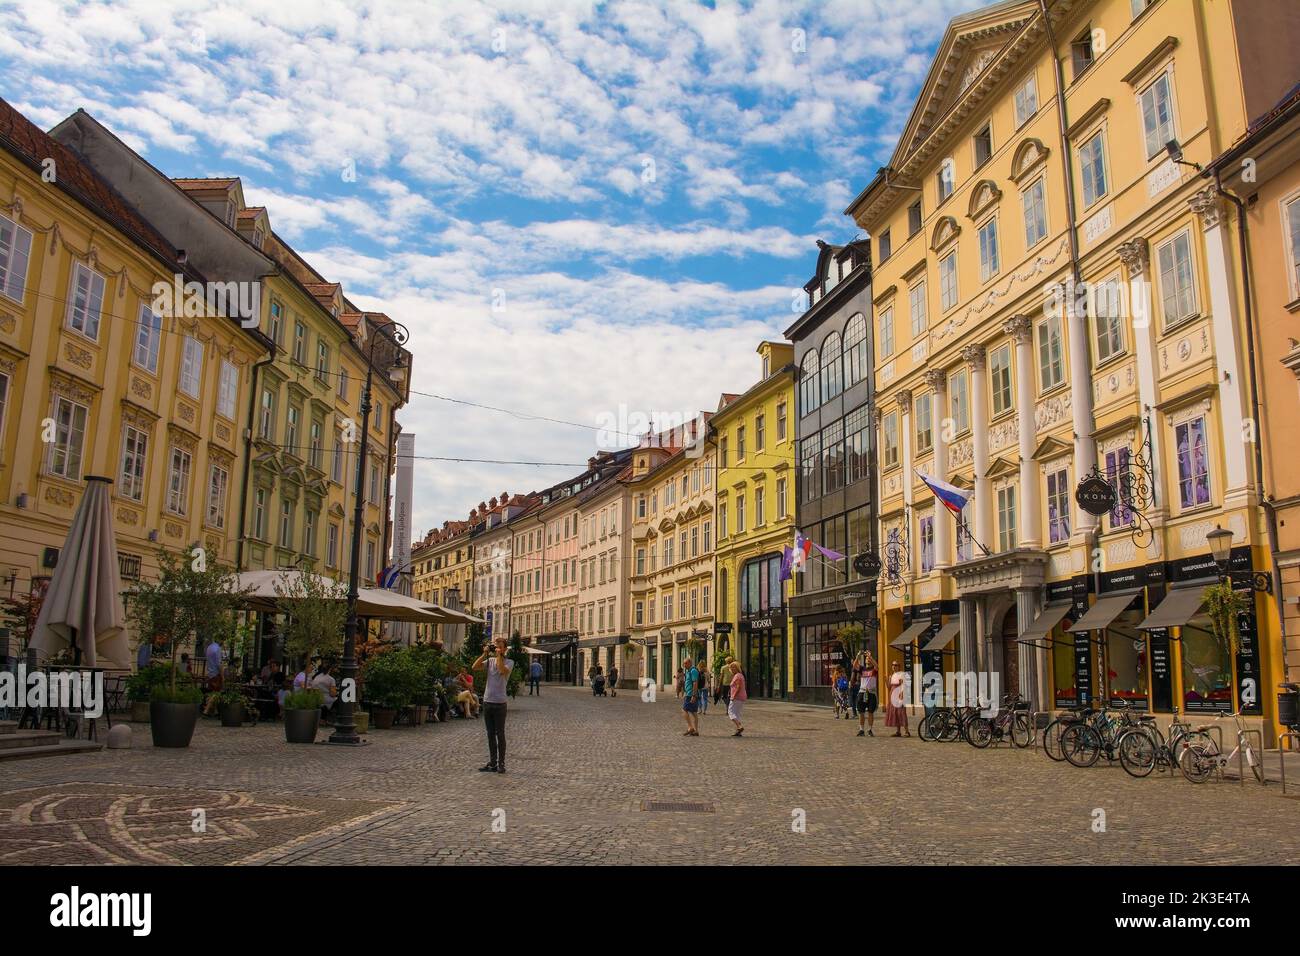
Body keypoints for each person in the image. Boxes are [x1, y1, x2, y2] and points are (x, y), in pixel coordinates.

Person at [473, 636, 515, 773]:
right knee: (490, 734)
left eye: (499, 646)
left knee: (500, 734)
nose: (497, 648)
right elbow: (475, 667)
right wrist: (484, 653)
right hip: (487, 701)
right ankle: (492, 763)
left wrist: (498, 655)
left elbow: (502, 671)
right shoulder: (490, 661)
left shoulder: (509, 662)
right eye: (495, 646)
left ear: (504, 649)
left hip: (500, 702)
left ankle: (501, 763)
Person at [855, 652, 879, 737]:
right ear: (865, 661)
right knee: (861, 712)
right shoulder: (862, 669)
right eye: (866, 658)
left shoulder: (874, 669)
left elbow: (877, 666)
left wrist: (870, 656)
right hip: (862, 692)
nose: (868, 659)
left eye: (869, 658)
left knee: (870, 712)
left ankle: (870, 729)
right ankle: (861, 729)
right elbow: (855, 665)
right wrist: (858, 656)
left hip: (871, 693)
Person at [885, 660, 910, 737]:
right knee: (895, 713)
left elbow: (903, 685)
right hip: (892, 695)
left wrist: (902, 696)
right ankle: (898, 731)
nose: (894, 666)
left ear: (899, 666)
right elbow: (889, 687)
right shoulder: (891, 675)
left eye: (895, 665)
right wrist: (886, 680)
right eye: (893, 665)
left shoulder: (901, 674)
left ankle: (907, 731)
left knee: (901, 712)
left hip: (899, 694)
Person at [680, 656, 700, 736]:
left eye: (686, 663)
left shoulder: (693, 671)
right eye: (684, 663)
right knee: (694, 712)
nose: (684, 665)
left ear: (690, 663)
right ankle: (696, 731)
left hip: (691, 694)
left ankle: (690, 727)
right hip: (689, 693)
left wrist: (693, 695)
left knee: (684, 710)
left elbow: (695, 683)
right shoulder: (688, 671)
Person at [727, 661, 747, 737]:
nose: (732, 669)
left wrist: (733, 696)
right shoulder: (739, 675)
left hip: (737, 697)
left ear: (737, 668)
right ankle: (738, 731)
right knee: (737, 714)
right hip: (741, 697)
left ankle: (739, 726)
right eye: (731, 668)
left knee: (730, 712)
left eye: (733, 667)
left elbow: (738, 687)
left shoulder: (738, 676)